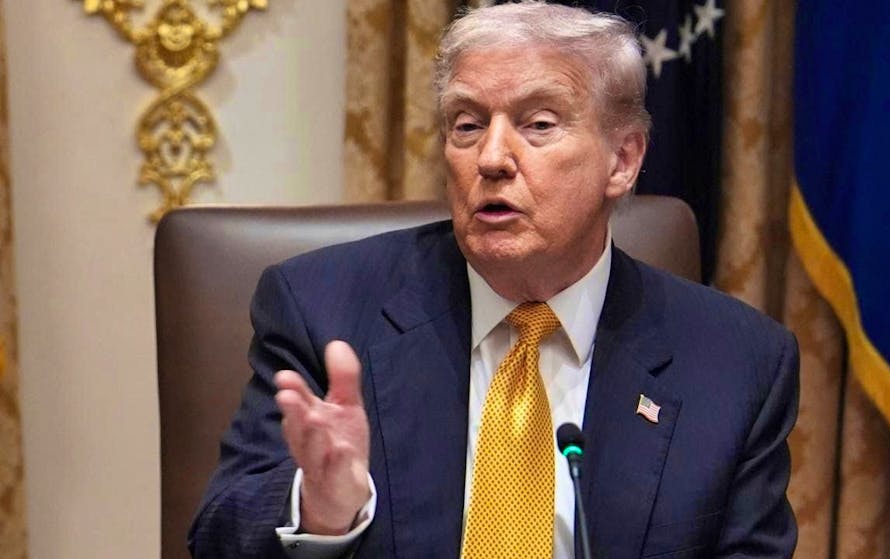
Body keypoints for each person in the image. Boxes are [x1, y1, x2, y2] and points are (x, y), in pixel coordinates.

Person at [189, 2, 799, 558]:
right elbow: (215, 537)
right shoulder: (322, 311)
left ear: (623, 159)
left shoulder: (737, 365)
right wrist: (319, 511)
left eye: (538, 124)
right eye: (467, 124)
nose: (491, 158)